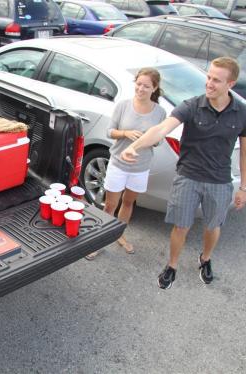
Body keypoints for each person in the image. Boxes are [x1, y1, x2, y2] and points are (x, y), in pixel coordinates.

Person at [121, 57, 246, 289]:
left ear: (230, 84)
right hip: (187, 176)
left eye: (216, 80)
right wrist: (134, 146)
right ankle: (172, 265)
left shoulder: (241, 112)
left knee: (213, 225)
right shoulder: (192, 105)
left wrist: (243, 187)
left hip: (219, 180)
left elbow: (244, 152)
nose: (209, 83)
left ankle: (205, 259)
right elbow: (161, 128)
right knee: (181, 226)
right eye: (208, 77)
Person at [86, 68, 166, 260]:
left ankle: (119, 235)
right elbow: (109, 131)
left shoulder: (160, 112)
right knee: (109, 205)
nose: (141, 89)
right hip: (119, 163)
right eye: (138, 84)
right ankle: (99, 240)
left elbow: (160, 140)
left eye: (146, 86)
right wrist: (126, 133)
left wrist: (150, 139)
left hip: (141, 167)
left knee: (129, 202)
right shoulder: (123, 105)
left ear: (154, 88)